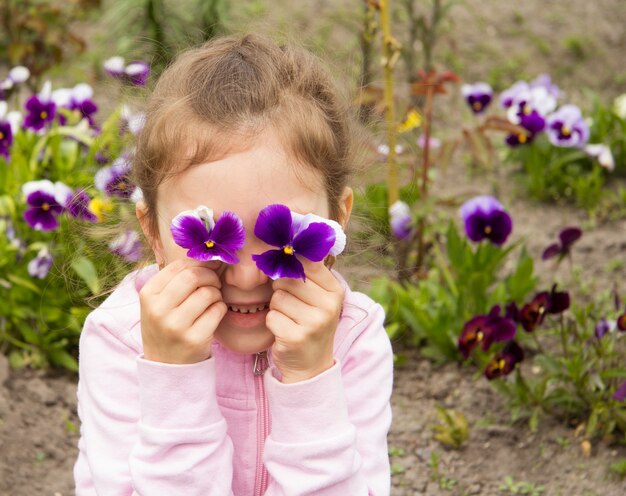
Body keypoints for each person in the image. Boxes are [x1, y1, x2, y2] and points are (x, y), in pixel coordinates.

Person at [73, 33, 393, 495]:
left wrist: (310, 377)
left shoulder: (353, 339)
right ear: (154, 234)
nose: (246, 276)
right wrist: (173, 375)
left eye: (281, 237)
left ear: (335, 220)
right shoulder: (122, 339)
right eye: (213, 244)